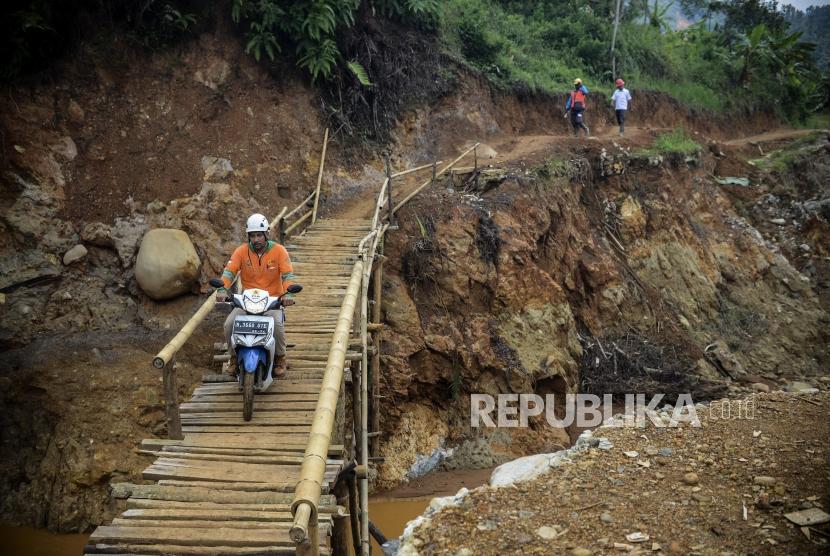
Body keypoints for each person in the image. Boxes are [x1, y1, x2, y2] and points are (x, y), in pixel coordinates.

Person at [217, 213, 296, 378]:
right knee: (229, 324)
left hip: (272, 301)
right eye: (252, 236)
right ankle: (233, 358)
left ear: (267, 234)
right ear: (248, 236)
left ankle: (280, 358)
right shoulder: (241, 252)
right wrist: (222, 289)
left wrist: (287, 293)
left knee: (278, 326)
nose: (256, 239)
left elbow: (287, 275)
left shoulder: (279, 251)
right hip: (247, 302)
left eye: (259, 235)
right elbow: (229, 272)